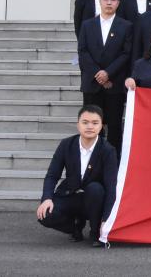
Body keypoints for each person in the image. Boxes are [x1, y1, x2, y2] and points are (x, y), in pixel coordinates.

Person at [36, 105, 118, 247]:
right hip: (70, 194)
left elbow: (111, 187)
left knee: (95, 188)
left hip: (95, 199)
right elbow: (52, 175)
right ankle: (74, 228)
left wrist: (106, 220)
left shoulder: (108, 150)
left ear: (101, 126)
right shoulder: (66, 144)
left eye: (95, 123)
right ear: (78, 125)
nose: (90, 126)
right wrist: (47, 198)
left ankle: (96, 232)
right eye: (85, 122)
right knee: (45, 215)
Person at [76, 0, 131, 152]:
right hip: (92, 84)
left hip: (115, 84)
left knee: (114, 125)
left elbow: (126, 53)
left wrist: (108, 73)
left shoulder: (126, 26)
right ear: (99, 1)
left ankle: (113, 158)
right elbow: (83, 51)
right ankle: (93, 156)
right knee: (92, 123)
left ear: (118, 3)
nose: (109, 3)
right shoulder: (87, 25)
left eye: (113, 0)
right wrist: (97, 74)